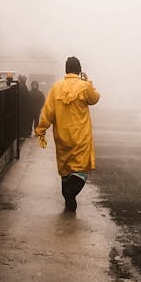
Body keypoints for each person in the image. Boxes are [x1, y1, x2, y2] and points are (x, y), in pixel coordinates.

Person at [35, 56, 100, 212]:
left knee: (65, 169)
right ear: (79, 70)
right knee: (80, 169)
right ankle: (71, 194)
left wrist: (41, 129)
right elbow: (95, 98)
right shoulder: (84, 87)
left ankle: (67, 197)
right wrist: (88, 81)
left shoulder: (56, 88)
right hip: (80, 136)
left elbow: (48, 111)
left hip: (62, 136)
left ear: (66, 70)